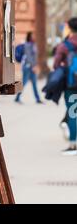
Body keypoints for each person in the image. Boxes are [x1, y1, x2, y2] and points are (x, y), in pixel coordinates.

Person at [53, 17, 77, 155]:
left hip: (72, 85)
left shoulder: (65, 45)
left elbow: (56, 65)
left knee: (73, 113)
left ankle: (73, 145)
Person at [15, 32, 43, 104]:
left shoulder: (33, 44)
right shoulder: (27, 45)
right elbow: (29, 57)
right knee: (24, 83)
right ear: (29, 36)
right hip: (27, 67)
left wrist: (35, 65)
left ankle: (37, 99)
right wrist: (33, 66)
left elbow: (35, 57)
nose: (34, 37)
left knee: (34, 83)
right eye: (33, 35)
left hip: (32, 67)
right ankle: (17, 98)